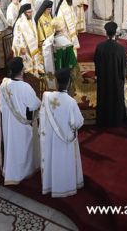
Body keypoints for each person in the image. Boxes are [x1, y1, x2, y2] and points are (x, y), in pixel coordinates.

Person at [40, 68, 84, 197]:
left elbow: (42, 116)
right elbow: (78, 123)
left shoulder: (47, 97)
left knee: (52, 160)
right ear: (69, 82)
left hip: (50, 139)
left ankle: (50, 184)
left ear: (56, 81)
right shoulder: (71, 102)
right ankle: (64, 186)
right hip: (65, 141)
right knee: (63, 162)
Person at [0, 57, 41, 185]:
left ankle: (11, 171)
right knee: (22, 147)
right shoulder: (25, 87)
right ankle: (22, 172)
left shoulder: (3, 85)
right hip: (22, 125)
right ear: (21, 72)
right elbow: (34, 105)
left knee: (12, 146)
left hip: (8, 123)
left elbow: (1, 106)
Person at [94, 22, 126, 127]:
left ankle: (103, 120)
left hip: (103, 79)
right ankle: (116, 120)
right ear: (115, 33)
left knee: (103, 97)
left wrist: (98, 75)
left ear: (106, 33)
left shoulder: (100, 46)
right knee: (116, 98)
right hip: (116, 79)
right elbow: (123, 65)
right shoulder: (121, 48)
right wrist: (122, 78)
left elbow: (96, 62)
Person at [12, 4, 41, 75]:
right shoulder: (20, 22)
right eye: (28, 12)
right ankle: (27, 75)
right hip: (24, 47)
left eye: (31, 12)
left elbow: (35, 32)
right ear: (24, 13)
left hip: (32, 45)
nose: (30, 14)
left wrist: (37, 41)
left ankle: (35, 73)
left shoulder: (32, 20)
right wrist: (21, 47)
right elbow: (17, 36)